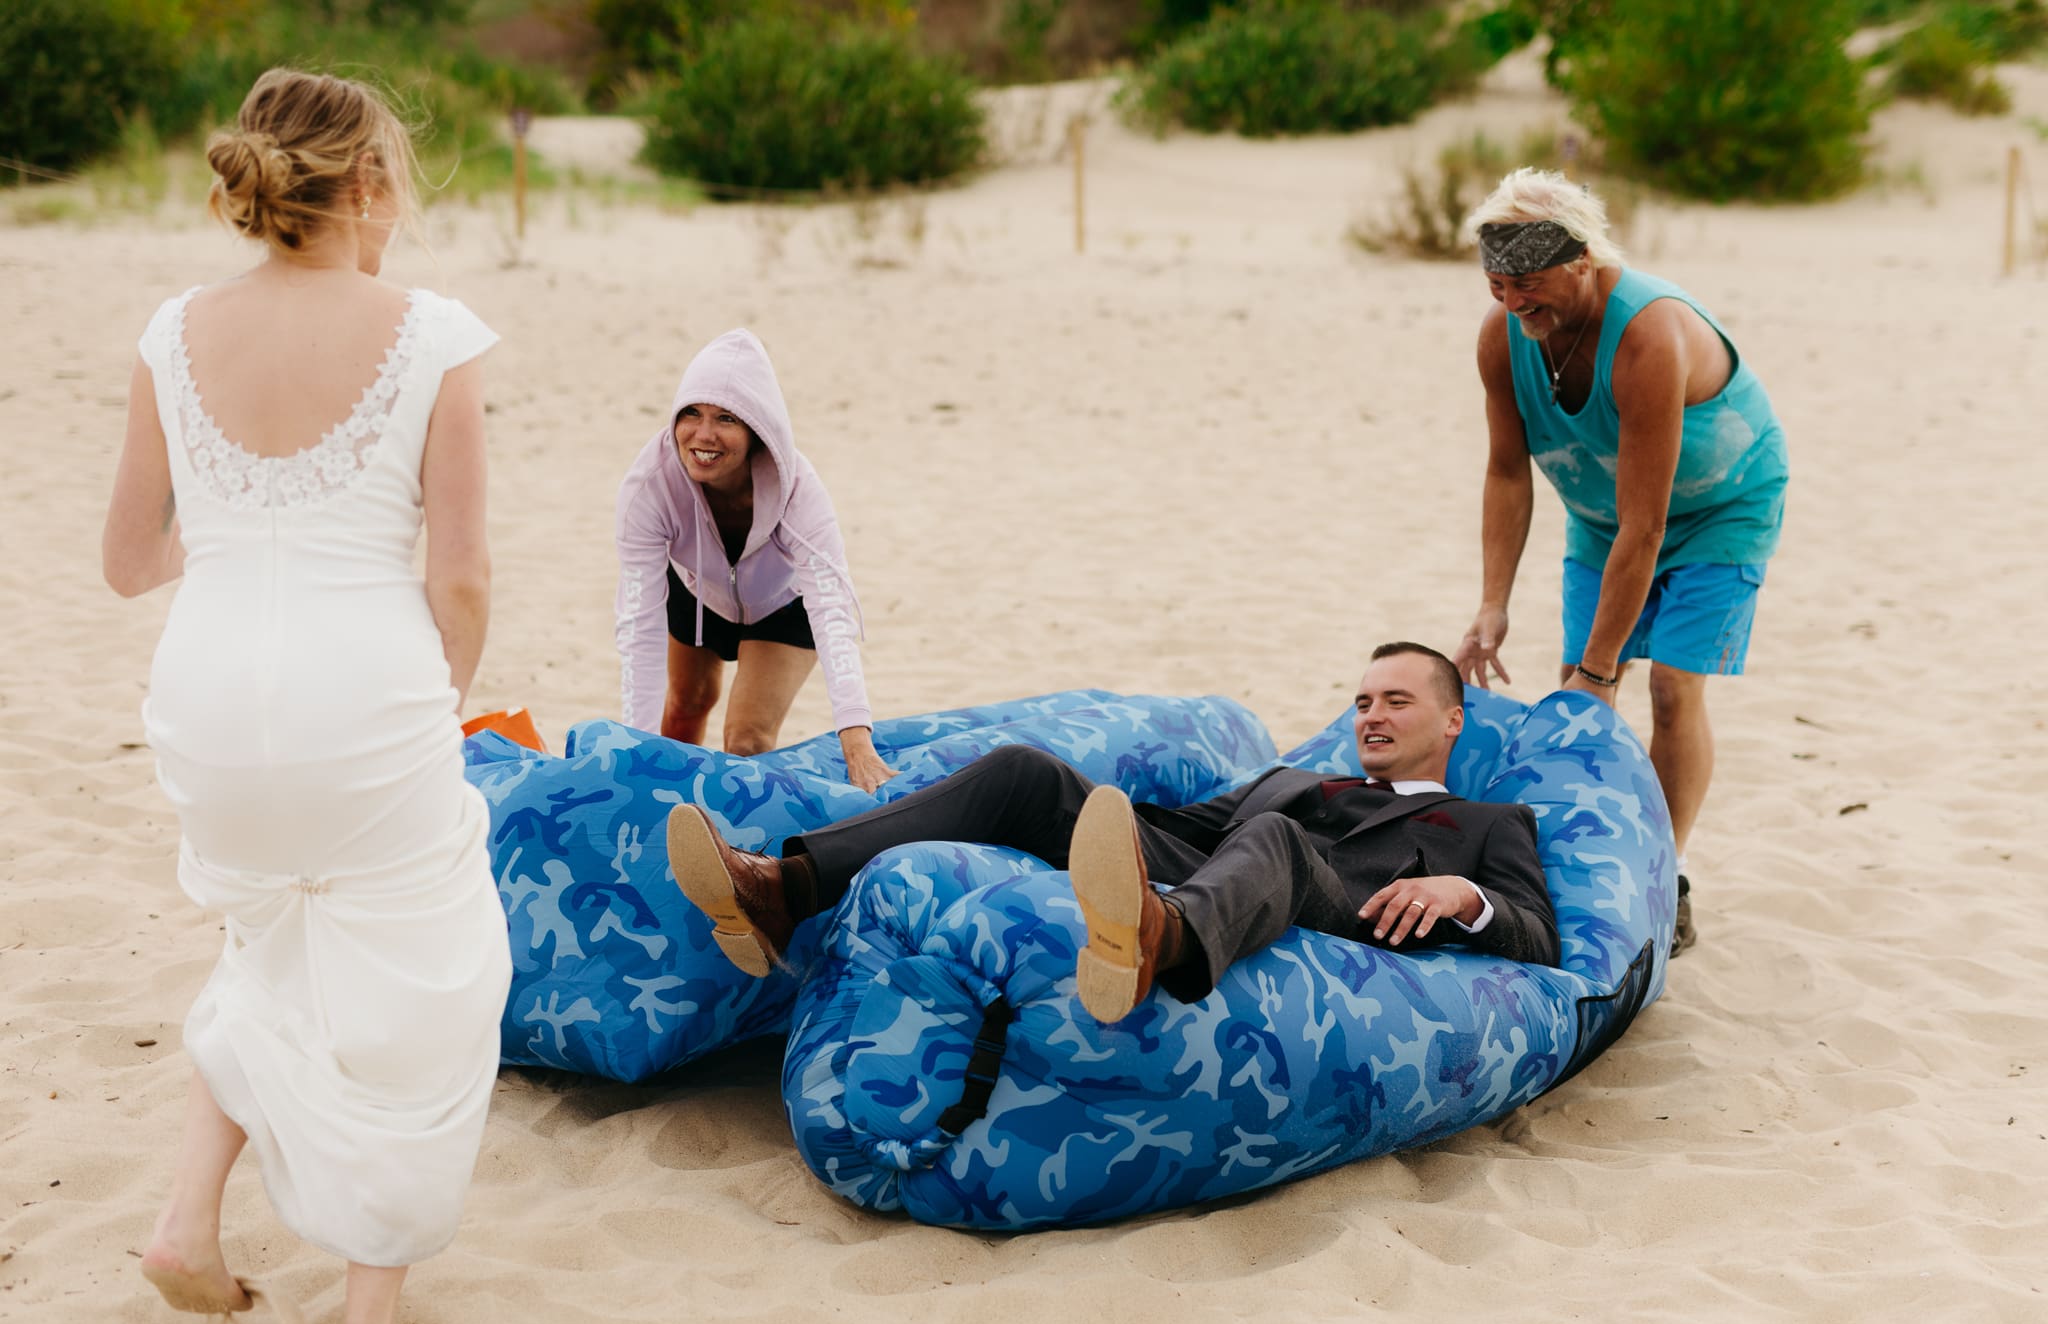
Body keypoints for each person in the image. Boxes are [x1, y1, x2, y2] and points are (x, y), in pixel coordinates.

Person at [103, 69, 511, 1324]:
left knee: (272, 934)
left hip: (208, 691)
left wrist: (238, 553)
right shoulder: (434, 334)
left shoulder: (172, 334)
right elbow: (459, 571)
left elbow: (125, 559)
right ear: (370, 184)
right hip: (366, 692)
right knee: (430, 978)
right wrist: (435, 694)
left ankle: (186, 1221)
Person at [666, 643, 1556, 1021]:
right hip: (1230, 871)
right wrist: (1090, 812)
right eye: (1361, 700)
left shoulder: (1486, 820)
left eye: (1397, 701)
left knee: (1278, 843)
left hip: (1352, 916)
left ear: (1452, 720)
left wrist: (1465, 893)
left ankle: (1153, 944)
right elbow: (1184, 830)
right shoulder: (1295, 778)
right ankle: (785, 891)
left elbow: (1540, 934)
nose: (1371, 715)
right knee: (1025, 770)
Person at [1452, 169, 1789, 956]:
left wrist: (1604, 672)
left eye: (1528, 282)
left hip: (1720, 505)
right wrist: (1493, 603)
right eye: (1498, 284)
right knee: (1580, 683)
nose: (1512, 301)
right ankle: (1600, 862)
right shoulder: (1500, 337)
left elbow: (1651, 523)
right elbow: (1507, 471)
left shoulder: (1647, 335)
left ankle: (1663, 876)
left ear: (1583, 260)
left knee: (1667, 686)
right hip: (1602, 509)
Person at [613, 330, 896, 793]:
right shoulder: (650, 484)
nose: (703, 435)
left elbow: (831, 611)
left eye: (726, 418)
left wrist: (857, 741)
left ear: (756, 430)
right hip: (695, 590)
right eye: (692, 414)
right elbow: (638, 625)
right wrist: (636, 753)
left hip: (781, 607)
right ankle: (666, 815)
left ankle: (736, 851)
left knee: (745, 742)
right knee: (684, 708)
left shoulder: (799, 490)